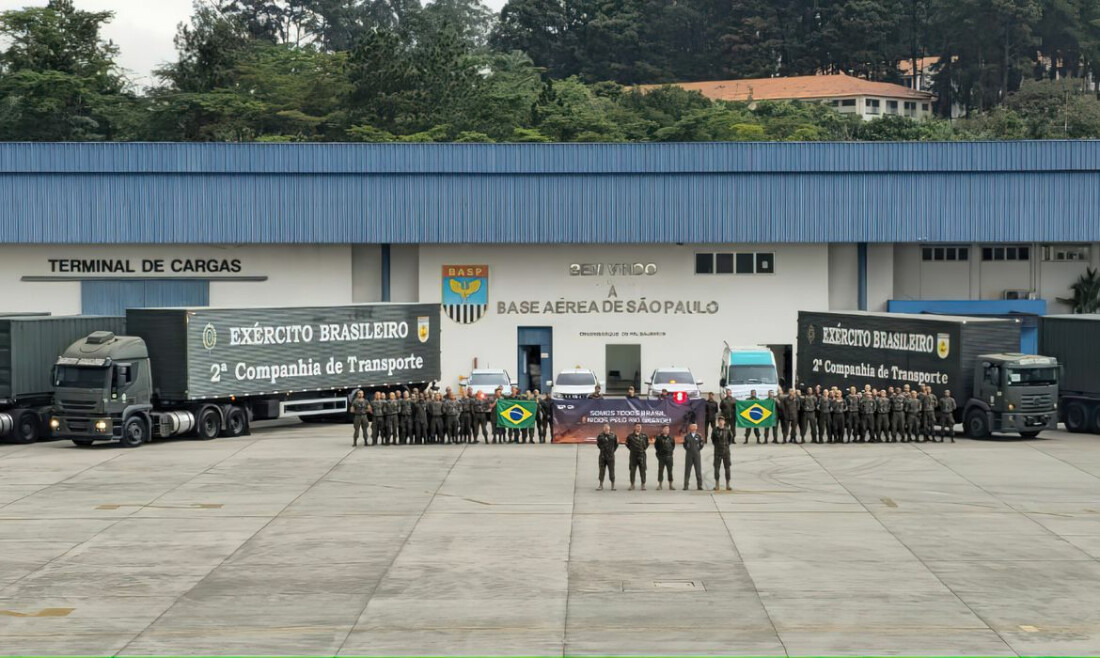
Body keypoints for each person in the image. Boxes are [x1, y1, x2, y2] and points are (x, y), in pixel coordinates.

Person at [711, 417, 733, 491]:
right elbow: (713, 439)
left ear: (724, 422)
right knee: (716, 468)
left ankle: (728, 484)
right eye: (719, 421)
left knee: (727, 468)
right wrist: (718, 446)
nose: (721, 422)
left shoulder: (727, 430)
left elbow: (730, 439)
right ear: (718, 422)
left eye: (722, 421)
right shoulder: (715, 430)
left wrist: (726, 446)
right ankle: (717, 484)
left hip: (726, 452)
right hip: (717, 452)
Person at [625, 423, 649, 491]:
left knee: (643, 470)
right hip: (633, 456)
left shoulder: (644, 436)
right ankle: (632, 484)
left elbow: (647, 444)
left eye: (640, 427)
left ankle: (643, 484)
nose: (639, 428)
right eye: (638, 426)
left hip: (642, 455)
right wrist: (633, 450)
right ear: (634, 427)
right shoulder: (630, 436)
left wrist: (642, 449)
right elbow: (627, 445)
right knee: (632, 471)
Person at [682, 423, 704, 490]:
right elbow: (684, 444)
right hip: (689, 454)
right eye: (692, 427)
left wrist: (698, 449)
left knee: (698, 470)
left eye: (694, 427)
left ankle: (699, 485)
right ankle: (686, 485)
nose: (693, 428)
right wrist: (688, 449)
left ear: (696, 428)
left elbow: (701, 444)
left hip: (697, 454)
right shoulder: (687, 436)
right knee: (687, 470)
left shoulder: (699, 436)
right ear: (690, 428)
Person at [595, 423, 618, 490]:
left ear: (609, 429)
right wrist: (603, 450)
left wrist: (612, 451)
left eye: (607, 428)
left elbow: (616, 445)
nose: (606, 429)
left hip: (611, 457)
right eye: (605, 428)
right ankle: (601, 485)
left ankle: (613, 485)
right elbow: (598, 444)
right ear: (603, 429)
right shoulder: (600, 436)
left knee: (611, 471)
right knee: (601, 470)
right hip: (602, 456)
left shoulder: (613, 436)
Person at [654, 425, 675, 490]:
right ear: (662, 430)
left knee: (670, 471)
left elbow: (673, 446)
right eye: (665, 429)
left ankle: (670, 485)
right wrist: (659, 455)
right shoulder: (659, 438)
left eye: (668, 429)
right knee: (660, 471)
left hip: (669, 457)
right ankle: (660, 485)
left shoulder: (671, 437)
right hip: (662, 457)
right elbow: (656, 446)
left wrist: (670, 453)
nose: (667, 430)